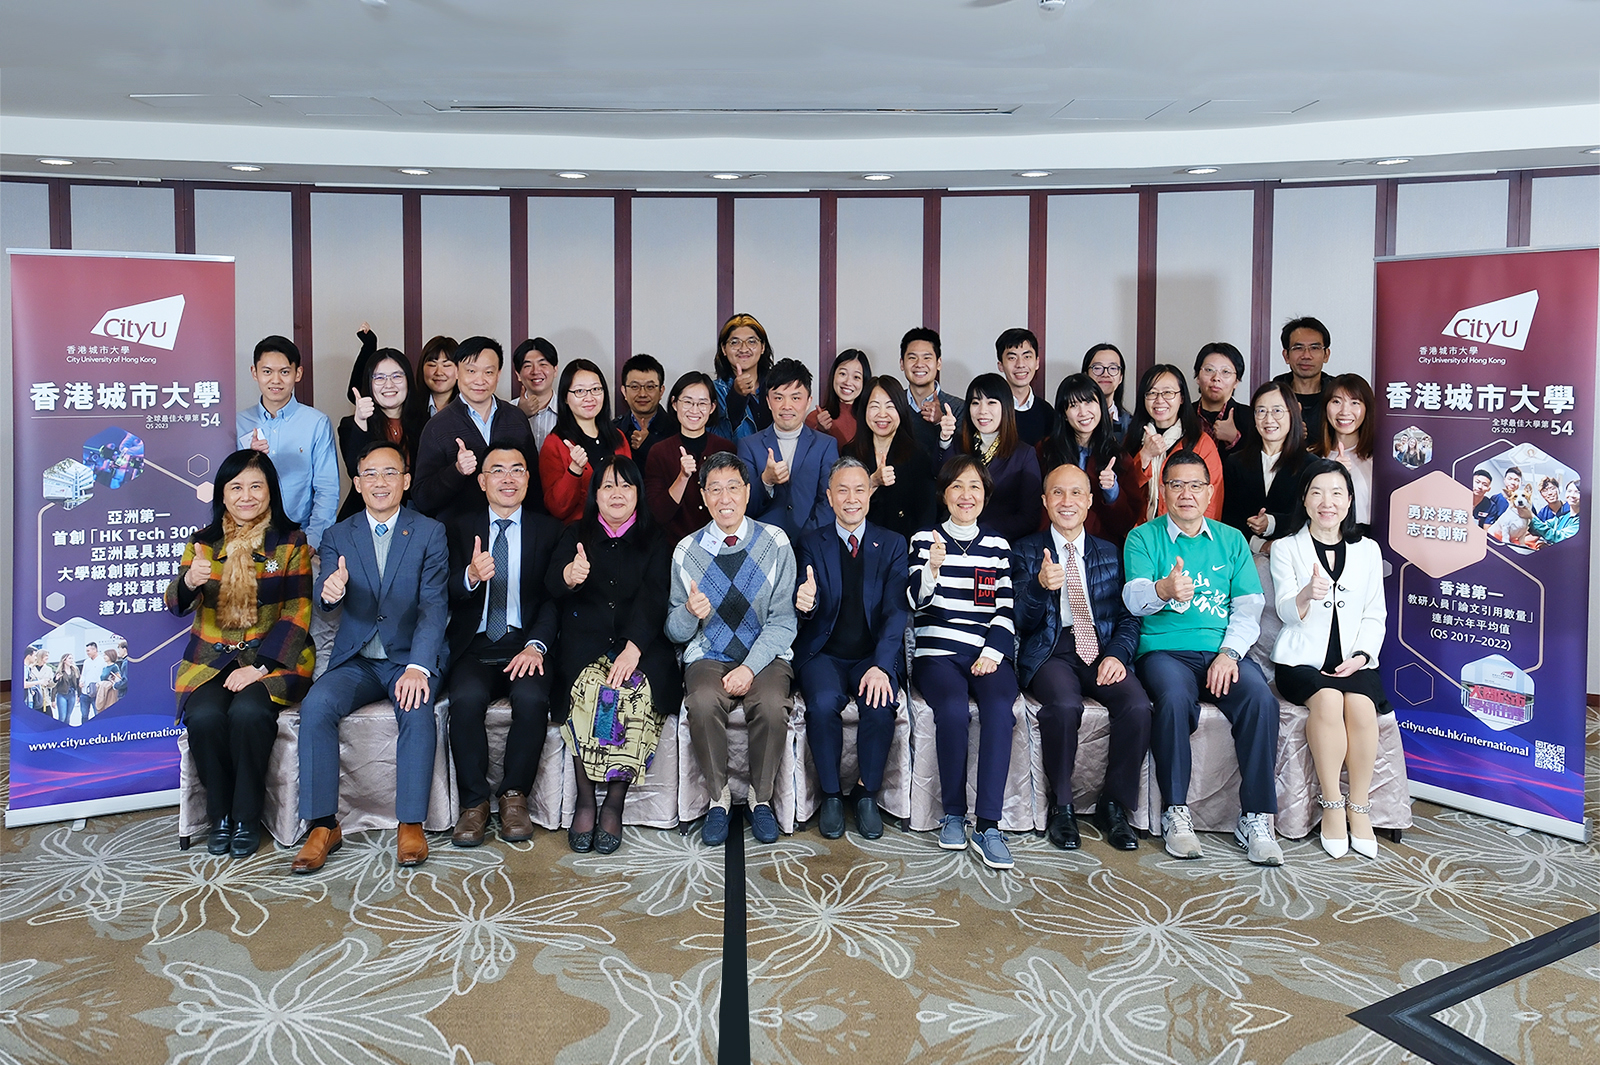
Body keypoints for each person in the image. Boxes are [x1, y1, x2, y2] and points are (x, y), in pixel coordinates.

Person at [291, 441, 449, 874]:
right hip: (358, 659)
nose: (381, 482)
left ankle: (410, 821)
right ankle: (323, 825)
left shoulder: (429, 531)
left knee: (416, 708)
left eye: (390, 473)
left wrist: (419, 666)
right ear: (358, 484)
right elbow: (326, 599)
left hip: (407, 657)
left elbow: (435, 607)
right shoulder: (339, 535)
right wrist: (329, 592)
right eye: (371, 475)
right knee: (317, 705)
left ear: (406, 480)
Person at [1122, 449, 1283, 866]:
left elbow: (1249, 606)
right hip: (1164, 651)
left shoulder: (1230, 539)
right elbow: (1133, 598)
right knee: (1174, 700)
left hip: (1222, 650)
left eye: (1196, 485)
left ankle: (1256, 818)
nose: (1187, 494)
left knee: (1261, 699)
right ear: (1164, 489)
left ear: (1210, 492)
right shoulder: (1143, 536)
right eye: (1177, 485)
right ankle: (1176, 812)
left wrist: (1229, 654)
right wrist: (1164, 590)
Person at [166, 450, 313, 858]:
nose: (246, 496)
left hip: (273, 658)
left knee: (249, 714)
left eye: (255, 486)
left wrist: (260, 668)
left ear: (270, 492)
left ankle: (246, 816)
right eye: (236, 488)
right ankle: (221, 816)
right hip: (211, 657)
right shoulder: (202, 543)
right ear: (223, 494)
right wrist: (189, 581)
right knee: (206, 717)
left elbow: (297, 611)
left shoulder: (291, 542)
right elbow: (175, 605)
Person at [1012, 464, 1150, 851]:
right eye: (1057, 493)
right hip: (1051, 651)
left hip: (1101, 649)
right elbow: (1020, 622)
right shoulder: (1024, 550)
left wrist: (1120, 655)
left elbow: (1128, 616)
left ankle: (1114, 805)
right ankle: (1063, 806)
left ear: (1090, 501)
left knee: (1137, 706)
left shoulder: (1110, 552)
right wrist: (1040, 588)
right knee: (1063, 705)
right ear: (1045, 501)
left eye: (1076, 493)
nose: (1066, 501)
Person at [549, 455, 680, 854]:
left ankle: (614, 802)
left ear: (638, 493)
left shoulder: (655, 538)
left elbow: (656, 598)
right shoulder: (575, 534)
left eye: (626, 486)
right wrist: (568, 577)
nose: (617, 494)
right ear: (595, 495)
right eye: (608, 486)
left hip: (639, 647)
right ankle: (585, 799)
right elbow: (551, 585)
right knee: (591, 693)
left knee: (631, 695)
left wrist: (633, 649)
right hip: (583, 645)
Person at [666, 452, 798, 847]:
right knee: (703, 702)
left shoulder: (775, 542)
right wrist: (689, 613)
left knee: (773, 706)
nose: (725, 498)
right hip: (709, 652)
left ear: (748, 492)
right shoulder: (686, 551)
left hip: (765, 653)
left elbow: (783, 621)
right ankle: (719, 799)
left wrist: (750, 667)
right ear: (702, 497)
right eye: (715, 489)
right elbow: (674, 630)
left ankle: (760, 799)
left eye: (733, 488)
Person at [441, 445, 562, 848]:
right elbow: (443, 592)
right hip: (474, 646)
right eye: (497, 471)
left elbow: (552, 599)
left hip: (523, 644)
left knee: (531, 700)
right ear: (482, 481)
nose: (508, 479)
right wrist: (471, 576)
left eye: (517, 470)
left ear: (529, 479)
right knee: (467, 699)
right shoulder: (457, 527)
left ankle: (514, 796)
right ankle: (474, 804)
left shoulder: (549, 531)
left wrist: (537, 646)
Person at [1270, 458, 1389, 859]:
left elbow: (1376, 613)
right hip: (1301, 660)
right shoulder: (1287, 548)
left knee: (1359, 705)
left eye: (1337, 493)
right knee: (1329, 699)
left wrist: (1361, 655)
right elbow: (1286, 609)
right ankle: (1333, 805)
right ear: (1304, 499)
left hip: (1353, 659)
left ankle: (1360, 807)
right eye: (1317, 492)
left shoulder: (1367, 550)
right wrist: (1306, 593)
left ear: (1349, 500)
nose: (1327, 502)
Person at [908, 454, 1018, 871]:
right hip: (936, 653)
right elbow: (913, 603)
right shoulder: (924, 539)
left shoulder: (997, 546)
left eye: (974, 486)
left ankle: (989, 824)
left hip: (987, 653)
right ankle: (953, 814)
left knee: (998, 711)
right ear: (944, 494)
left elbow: (1004, 609)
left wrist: (992, 653)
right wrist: (932, 570)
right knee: (952, 711)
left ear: (985, 494)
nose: (965, 495)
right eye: (957, 487)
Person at [793, 458, 909, 840]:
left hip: (871, 654)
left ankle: (866, 794)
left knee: (880, 703)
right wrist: (805, 603)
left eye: (860, 489)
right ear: (829, 496)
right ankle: (829, 795)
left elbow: (895, 612)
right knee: (823, 703)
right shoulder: (811, 542)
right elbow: (806, 607)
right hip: (824, 653)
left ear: (871, 494)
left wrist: (883, 665)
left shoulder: (892, 543)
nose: (851, 498)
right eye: (842, 490)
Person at [412, 338, 542, 519]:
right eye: (471, 371)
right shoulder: (437, 427)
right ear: (457, 372)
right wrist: (456, 471)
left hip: (513, 530)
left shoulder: (516, 418)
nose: (480, 380)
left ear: (498, 374)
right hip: (459, 537)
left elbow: (534, 483)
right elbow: (422, 497)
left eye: (488, 372)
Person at [238, 335, 340, 552]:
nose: (276, 380)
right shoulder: (237, 422)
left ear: (298, 373)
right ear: (254, 373)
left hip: (299, 538)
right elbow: (226, 486)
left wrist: (312, 540)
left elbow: (327, 489)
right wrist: (248, 461)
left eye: (284, 372)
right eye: (267, 372)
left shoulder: (316, 423)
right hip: (246, 539)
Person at [737, 359, 839, 541]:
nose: (786, 406)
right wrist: (766, 481)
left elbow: (829, 502)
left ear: (808, 402)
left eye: (795, 397)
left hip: (814, 545)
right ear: (768, 401)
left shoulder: (826, 445)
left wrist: (808, 541)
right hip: (764, 545)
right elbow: (744, 507)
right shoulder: (748, 446)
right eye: (778, 397)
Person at [1038, 373, 1138, 549]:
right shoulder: (1045, 451)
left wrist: (1112, 491)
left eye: (1089, 402)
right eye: (1074, 405)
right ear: (1063, 413)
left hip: (1102, 551)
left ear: (1101, 405)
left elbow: (1126, 522)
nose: (1083, 412)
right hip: (1052, 547)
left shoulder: (1118, 456)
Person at [337, 332, 429, 521]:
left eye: (397, 376)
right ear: (369, 384)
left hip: (415, 519)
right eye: (379, 378)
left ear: (408, 381)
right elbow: (355, 471)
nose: (389, 384)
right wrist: (361, 420)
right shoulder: (351, 425)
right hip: (364, 517)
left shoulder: (426, 422)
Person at [1124, 364, 1225, 524]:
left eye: (1168, 393)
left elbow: (1212, 499)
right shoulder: (1133, 438)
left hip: (1188, 536)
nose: (1159, 400)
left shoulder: (1201, 442)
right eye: (1152, 393)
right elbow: (1124, 494)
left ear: (1182, 398)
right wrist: (1145, 455)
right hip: (1141, 535)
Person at [645, 371, 736, 543]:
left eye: (702, 403)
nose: (694, 410)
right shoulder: (659, 452)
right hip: (673, 548)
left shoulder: (726, 449)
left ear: (712, 408)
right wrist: (683, 477)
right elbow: (657, 514)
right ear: (674, 404)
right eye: (687, 402)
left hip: (720, 546)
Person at [540, 359, 632, 524]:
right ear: (565, 398)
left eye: (596, 389)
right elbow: (557, 508)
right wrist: (574, 471)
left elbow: (631, 489)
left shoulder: (618, 437)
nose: (589, 398)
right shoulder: (554, 443)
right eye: (580, 391)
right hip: (579, 534)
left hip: (621, 532)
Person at [845, 375, 936, 541]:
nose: (882, 414)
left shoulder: (918, 455)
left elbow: (926, 515)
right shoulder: (850, 454)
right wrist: (872, 482)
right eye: (874, 406)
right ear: (864, 410)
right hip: (858, 547)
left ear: (901, 410)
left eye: (890, 406)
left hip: (903, 549)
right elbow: (841, 506)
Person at [955, 373, 1043, 543]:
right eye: (975, 403)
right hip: (955, 542)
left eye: (991, 402)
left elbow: (1029, 517)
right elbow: (941, 488)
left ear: (1006, 407)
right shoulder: (957, 445)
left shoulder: (1024, 454)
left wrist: (981, 531)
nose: (982, 411)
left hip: (1001, 547)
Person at [1221, 380, 1310, 549]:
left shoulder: (1311, 465)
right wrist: (1258, 544)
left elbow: (1310, 516)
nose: (1269, 419)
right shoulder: (1235, 462)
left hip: (1294, 553)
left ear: (1292, 414)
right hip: (1244, 551)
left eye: (1277, 411)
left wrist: (1272, 523)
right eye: (1261, 411)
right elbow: (1228, 516)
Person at [1313, 373, 1375, 535]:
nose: (1344, 411)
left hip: (1368, 541)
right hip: (1321, 539)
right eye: (1336, 402)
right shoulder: (1312, 456)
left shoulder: (1378, 458)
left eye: (1355, 402)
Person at [900, 327, 963, 459]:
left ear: (938, 363)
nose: (919, 364)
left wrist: (940, 422)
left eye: (927, 358)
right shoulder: (893, 405)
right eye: (912, 358)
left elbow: (963, 457)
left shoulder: (958, 407)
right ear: (902, 364)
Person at [710, 313, 774, 440]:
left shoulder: (776, 386)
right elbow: (716, 440)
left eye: (751, 341)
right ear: (724, 349)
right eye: (735, 342)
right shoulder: (713, 391)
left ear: (762, 347)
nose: (744, 348)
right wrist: (737, 397)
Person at [1274, 317, 1334, 445]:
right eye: (1298, 348)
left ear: (1326, 355)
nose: (1306, 355)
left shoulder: (1338, 394)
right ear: (1286, 356)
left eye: (1314, 348)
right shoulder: (1272, 395)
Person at [615, 353, 677, 470]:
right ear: (624, 391)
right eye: (634, 387)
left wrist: (650, 445)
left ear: (661, 391)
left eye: (650, 387)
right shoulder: (613, 431)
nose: (642, 394)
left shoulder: (677, 429)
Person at [997, 327, 1055, 447]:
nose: (1020, 364)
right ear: (1001, 366)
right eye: (1012, 358)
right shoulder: (990, 410)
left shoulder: (1047, 413)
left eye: (1027, 357)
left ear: (1037, 362)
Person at [806, 348, 870, 448]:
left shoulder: (872, 419)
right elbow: (809, 459)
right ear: (833, 376)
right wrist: (820, 431)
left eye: (856, 377)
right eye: (843, 374)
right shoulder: (814, 418)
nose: (848, 382)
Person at [1194, 342, 1249, 454]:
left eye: (1225, 372)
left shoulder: (1250, 417)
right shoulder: (1183, 414)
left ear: (1236, 382)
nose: (1216, 378)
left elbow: (1258, 463)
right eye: (1209, 370)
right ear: (1197, 376)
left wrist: (1234, 439)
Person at [513, 337, 560, 447]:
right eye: (528, 366)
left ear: (555, 370)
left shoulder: (570, 411)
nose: (536, 371)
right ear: (518, 375)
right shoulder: (505, 412)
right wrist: (519, 415)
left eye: (543, 364)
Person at [1082, 343, 1132, 441]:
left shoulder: (1130, 424)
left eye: (1113, 368)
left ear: (1121, 377)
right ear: (1085, 375)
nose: (1105, 374)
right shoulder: (1075, 418)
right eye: (1097, 368)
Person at [418, 334, 460, 416]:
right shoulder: (410, 408)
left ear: (459, 369)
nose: (439, 372)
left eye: (446, 365)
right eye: (432, 365)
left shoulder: (469, 408)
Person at [1529, 480, 1581, 544]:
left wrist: (1530, 516)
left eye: (1578, 492)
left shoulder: (1582, 521)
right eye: (1569, 491)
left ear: (1558, 490)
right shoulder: (1563, 517)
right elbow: (1538, 529)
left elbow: (1558, 537)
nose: (1572, 495)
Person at [77, 641, 106, 723]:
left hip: (97, 692)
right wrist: (81, 681)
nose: (87, 653)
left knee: (98, 714)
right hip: (85, 692)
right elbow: (83, 674)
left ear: (95, 650)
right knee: (84, 715)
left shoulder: (102, 661)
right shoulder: (86, 662)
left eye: (88, 651)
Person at [53, 653, 79, 724]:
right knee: (62, 717)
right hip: (62, 694)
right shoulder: (60, 672)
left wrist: (79, 695)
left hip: (72, 694)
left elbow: (78, 683)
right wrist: (53, 699)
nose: (71, 660)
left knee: (68, 717)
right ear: (64, 660)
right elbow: (55, 685)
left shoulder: (75, 670)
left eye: (72, 658)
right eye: (69, 658)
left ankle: (66, 733)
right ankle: (59, 732)